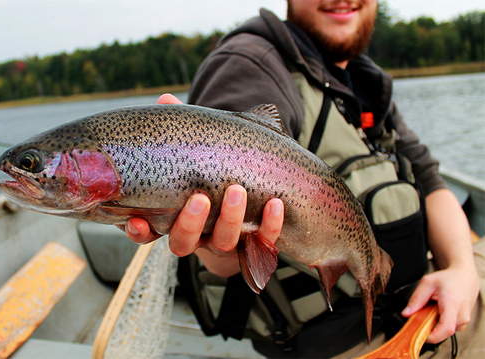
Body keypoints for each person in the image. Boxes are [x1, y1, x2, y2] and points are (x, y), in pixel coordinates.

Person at [124, 1, 482, 357]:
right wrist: (217, 250)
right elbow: (221, 251)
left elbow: (430, 180)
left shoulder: (364, 78)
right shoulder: (249, 65)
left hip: (430, 298)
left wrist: (462, 270)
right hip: (346, 343)